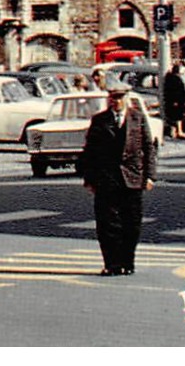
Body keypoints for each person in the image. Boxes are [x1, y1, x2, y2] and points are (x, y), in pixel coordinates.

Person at [77, 85, 157, 275]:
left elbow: (148, 148)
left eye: (120, 97)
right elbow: (90, 151)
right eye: (113, 97)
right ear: (109, 99)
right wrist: (89, 178)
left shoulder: (137, 118)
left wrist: (150, 176)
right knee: (107, 224)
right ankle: (111, 264)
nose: (117, 101)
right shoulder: (99, 120)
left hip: (133, 178)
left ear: (127, 98)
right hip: (107, 179)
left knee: (131, 223)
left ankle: (128, 262)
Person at [163, 64, 185, 140]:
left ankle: (175, 132)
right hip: (176, 102)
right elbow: (174, 91)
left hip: (178, 101)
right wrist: (175, 101)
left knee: (176, 117)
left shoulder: (172, 78)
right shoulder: (174, 79)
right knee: (176, 117)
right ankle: (178, 132)